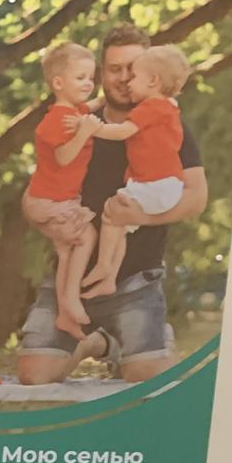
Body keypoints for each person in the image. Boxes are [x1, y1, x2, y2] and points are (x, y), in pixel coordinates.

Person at [16, 23, 208, 386]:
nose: (124, 78)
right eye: (114, 69)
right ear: (101, 73)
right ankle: (95, 341)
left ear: (150, 73)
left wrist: (142, 215)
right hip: (70, 278)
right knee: (34, 374)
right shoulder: (77, 123)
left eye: (132, 68)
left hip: (136, 281)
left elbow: (197, 197)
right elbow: (34, 195)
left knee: (146, 376)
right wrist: (49, 224)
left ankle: (127, 343)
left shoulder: (169, 125)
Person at [79, 44, 190, 300]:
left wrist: (93, 128)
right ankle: (109, 280)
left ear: (153, 81)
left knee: (111, 211)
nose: (128, 81)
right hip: (168, 186)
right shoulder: (169, 107)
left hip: (153, 184)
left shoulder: (150, 107)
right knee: (119, 226)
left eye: (135, 76)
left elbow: (121, 132)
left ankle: (103, 265)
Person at [22, 41, 110, 336]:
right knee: (86, 236)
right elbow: (62, 157)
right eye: (80, 77)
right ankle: (71, 299)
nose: (88, 83)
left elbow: (94, 104)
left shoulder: (75, 111)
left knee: (66, 252)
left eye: (91, 77)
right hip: (49, 201)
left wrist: (107, 97)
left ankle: (65, 316)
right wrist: (85, 131)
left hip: (59, 199)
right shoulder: (55, 119)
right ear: (58, 83)